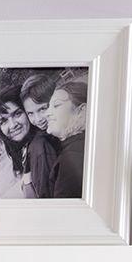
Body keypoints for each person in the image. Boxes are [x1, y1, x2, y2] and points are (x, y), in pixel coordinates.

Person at [43, 68, 88, 199]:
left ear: (81, 110)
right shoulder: (80, 146)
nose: (46, 114)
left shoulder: (70, 159)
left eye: (56, 106)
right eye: (48, 107)